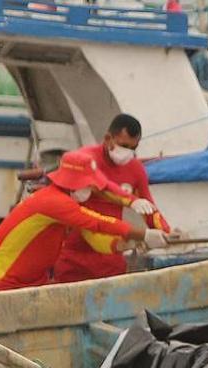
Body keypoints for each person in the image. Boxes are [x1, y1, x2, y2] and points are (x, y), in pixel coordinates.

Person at [0, 149, 168, 291]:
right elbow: (98, 222)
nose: (92, 189)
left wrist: (126, 244)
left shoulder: (67, 203)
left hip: (32, 281)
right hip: (1, 279)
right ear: (75, 183)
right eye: (88, 185)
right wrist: (144, 233)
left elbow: (94, 237)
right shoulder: (54, 202)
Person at [52, 114, 172, 284]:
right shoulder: (84, 160)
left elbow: (149, 209)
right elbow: (103, 187)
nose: (127, 153)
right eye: (124, 146)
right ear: (108, 139)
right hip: (73, 253)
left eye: (133, 148)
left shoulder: (135, 169)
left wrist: (168, 234)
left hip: (112, 253)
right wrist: (130, 201)